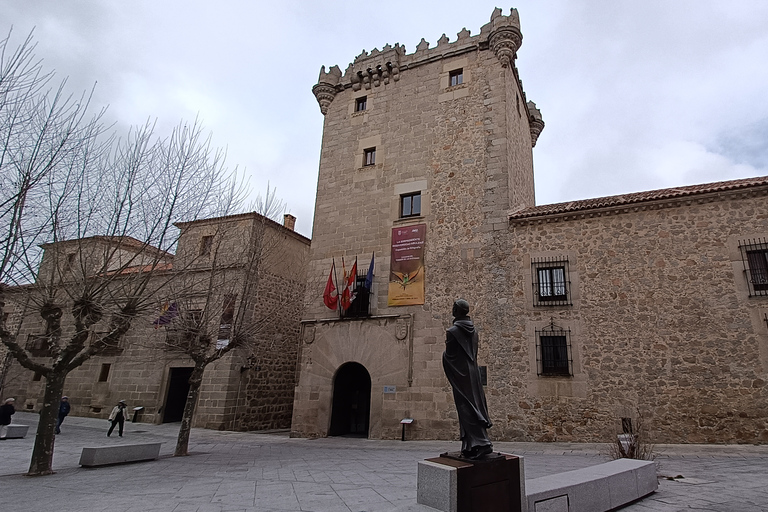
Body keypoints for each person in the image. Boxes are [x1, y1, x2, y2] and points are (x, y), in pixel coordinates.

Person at [442, 299, 494, 459]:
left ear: (457, 310)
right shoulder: (474, 331)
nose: (452, 309)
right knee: (475, 404)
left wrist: (444, 357)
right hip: (473, 372)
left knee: (466, 407)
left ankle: (482, 443)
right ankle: (471, 445)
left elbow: (450, 356)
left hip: (461, 374)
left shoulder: (452, 332)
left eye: (453, 307)